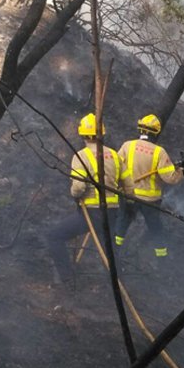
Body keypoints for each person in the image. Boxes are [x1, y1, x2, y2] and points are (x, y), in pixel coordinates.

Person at [47, 112, 121, 285]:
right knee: (108, 249)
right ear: (101, 133)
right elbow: (127, 185)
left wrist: (75, 194)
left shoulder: (81, 156)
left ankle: (66, 278)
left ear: (82, 134)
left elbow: (79, 187)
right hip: (112, 212)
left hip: (92, 213)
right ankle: (115, 284)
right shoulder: (115, 155)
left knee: (54, 236)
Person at [115, 113, 184, 258]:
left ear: (140, 129)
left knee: (122, 223)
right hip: (150, 201)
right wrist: (182, 170)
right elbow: (170, 178)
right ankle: (162, 259)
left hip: (128, 195)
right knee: (155, 229)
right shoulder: (159, 152)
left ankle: (113, 252)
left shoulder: (127, 146)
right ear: (156, 132)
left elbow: (115, 167)